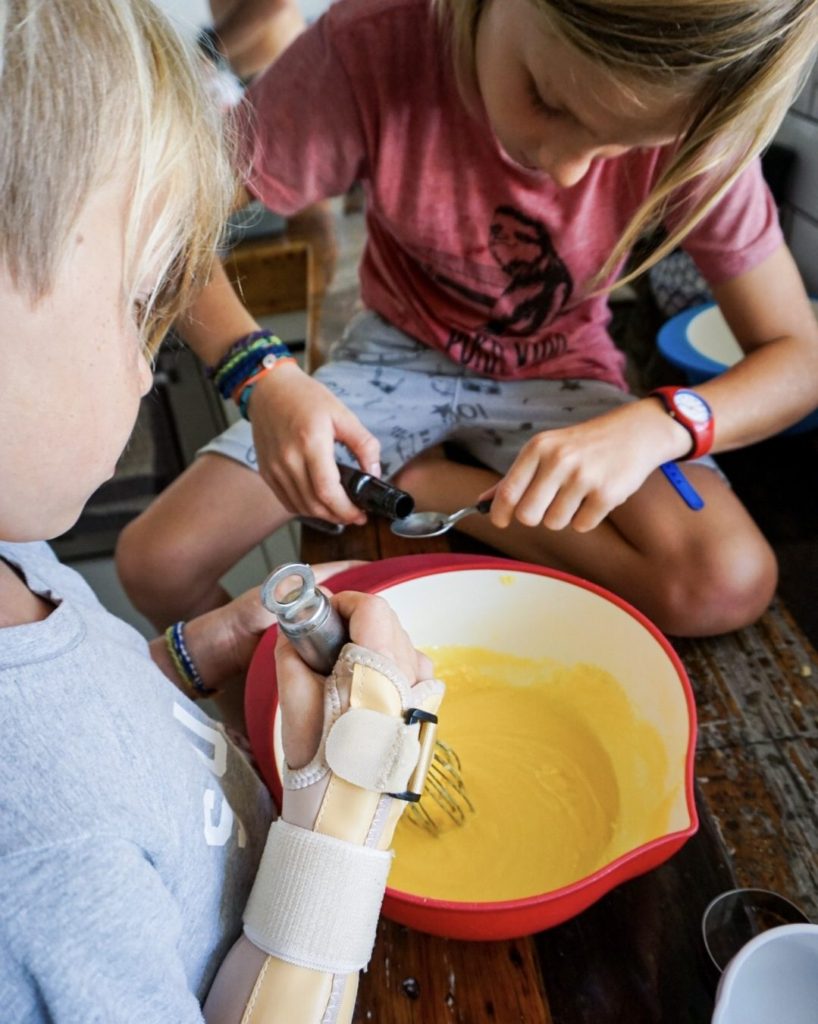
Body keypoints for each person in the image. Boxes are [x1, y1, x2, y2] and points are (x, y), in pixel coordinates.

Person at [0, 2, 443, 1021]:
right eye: (138, 297)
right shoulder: (38, 872)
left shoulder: (17, 557)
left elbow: (88, 719)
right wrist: (342, 823)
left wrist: (193, 654)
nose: (153, 353)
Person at [116, 0, 818, 639]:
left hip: (563, 376)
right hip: (391, 363)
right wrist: (260, 374)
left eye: (627, 146)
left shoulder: (703, 128)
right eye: (547, 99)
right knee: (158, 562)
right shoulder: (368, 47)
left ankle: (422, 485)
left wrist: (661, 426)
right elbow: (166, 225)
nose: (566, 171)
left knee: (727, 580)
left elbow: (798, 358)